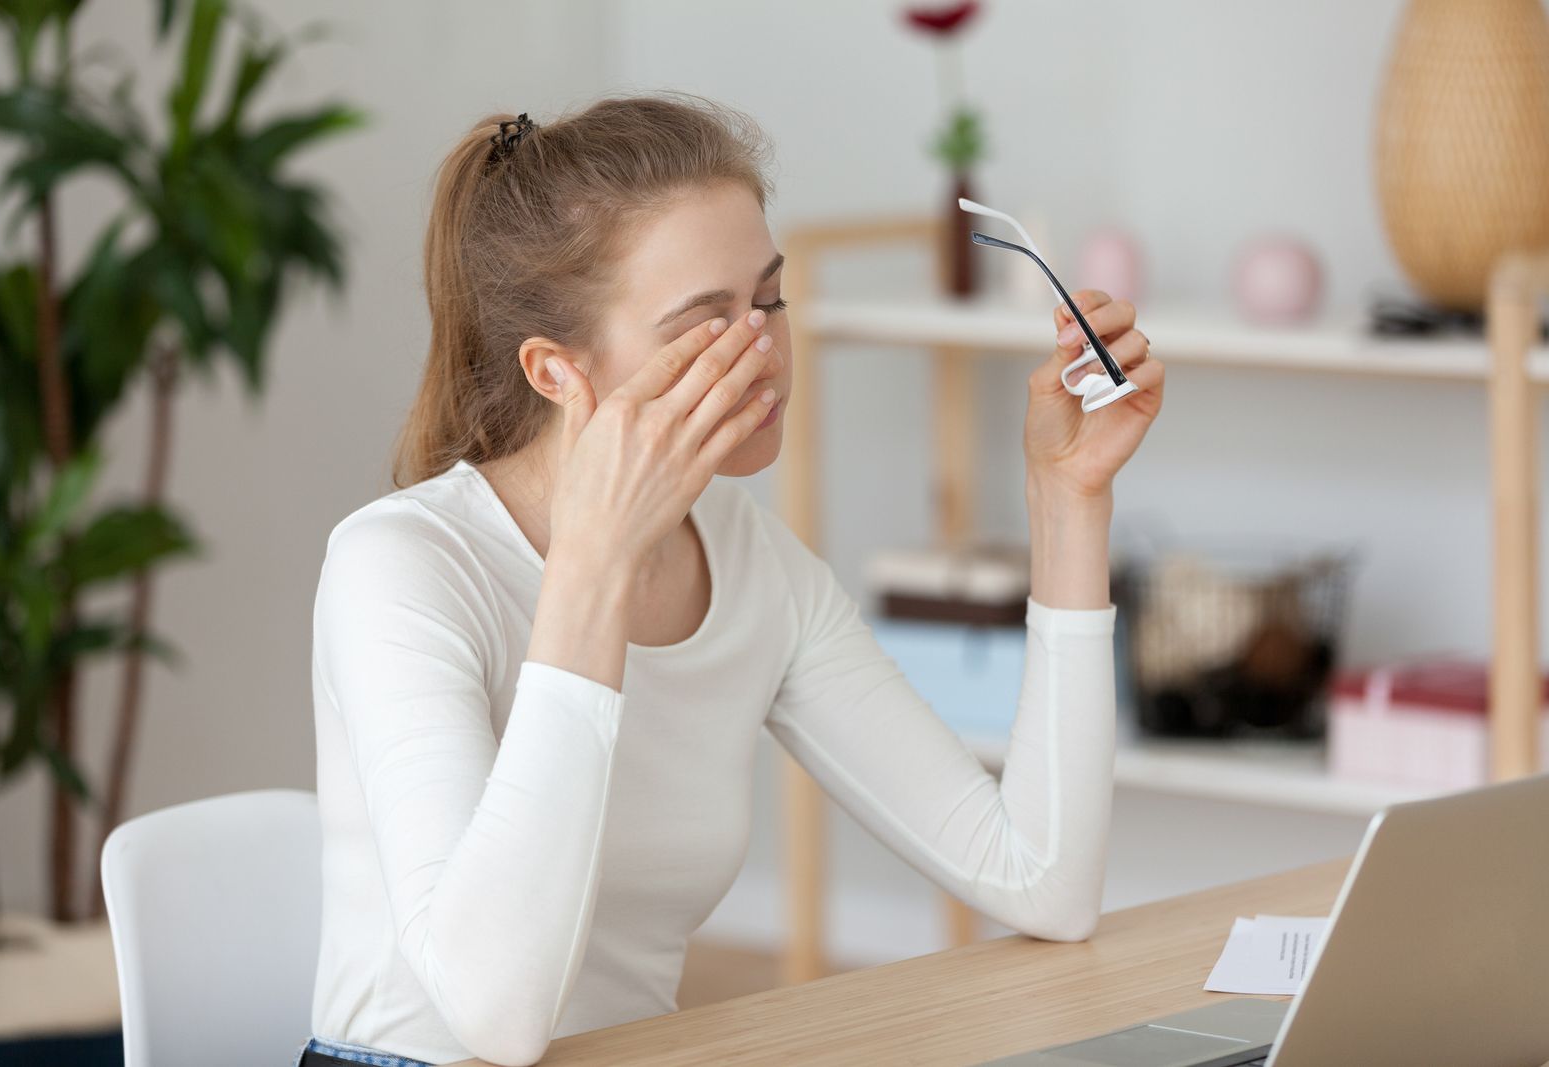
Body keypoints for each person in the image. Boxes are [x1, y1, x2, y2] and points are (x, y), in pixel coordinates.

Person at [299, 92, 1164, 1067]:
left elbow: (1043, 879)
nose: (764, 350)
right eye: (704, 322)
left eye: (770, 299)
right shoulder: (403, 565)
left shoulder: (751, 561)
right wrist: (594, 564)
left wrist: (1068, 499)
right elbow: (494, 1015)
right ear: (554, 371)